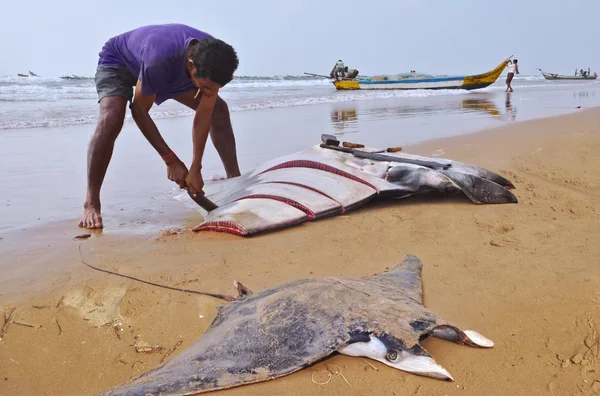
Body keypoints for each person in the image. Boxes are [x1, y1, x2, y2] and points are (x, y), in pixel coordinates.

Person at [79, 24, 241, 229]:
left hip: (167, 69)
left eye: (215, 87)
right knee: (112, 117)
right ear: (191, 65)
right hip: (119, 61)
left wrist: (195, 167)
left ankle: (235, 179)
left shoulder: (214, 59)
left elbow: (204, 115)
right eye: (207, 87)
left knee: (218, 108)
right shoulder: (160, 59)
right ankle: (91, 202)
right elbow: (139, 110)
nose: (210, 91)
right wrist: (171, 160)